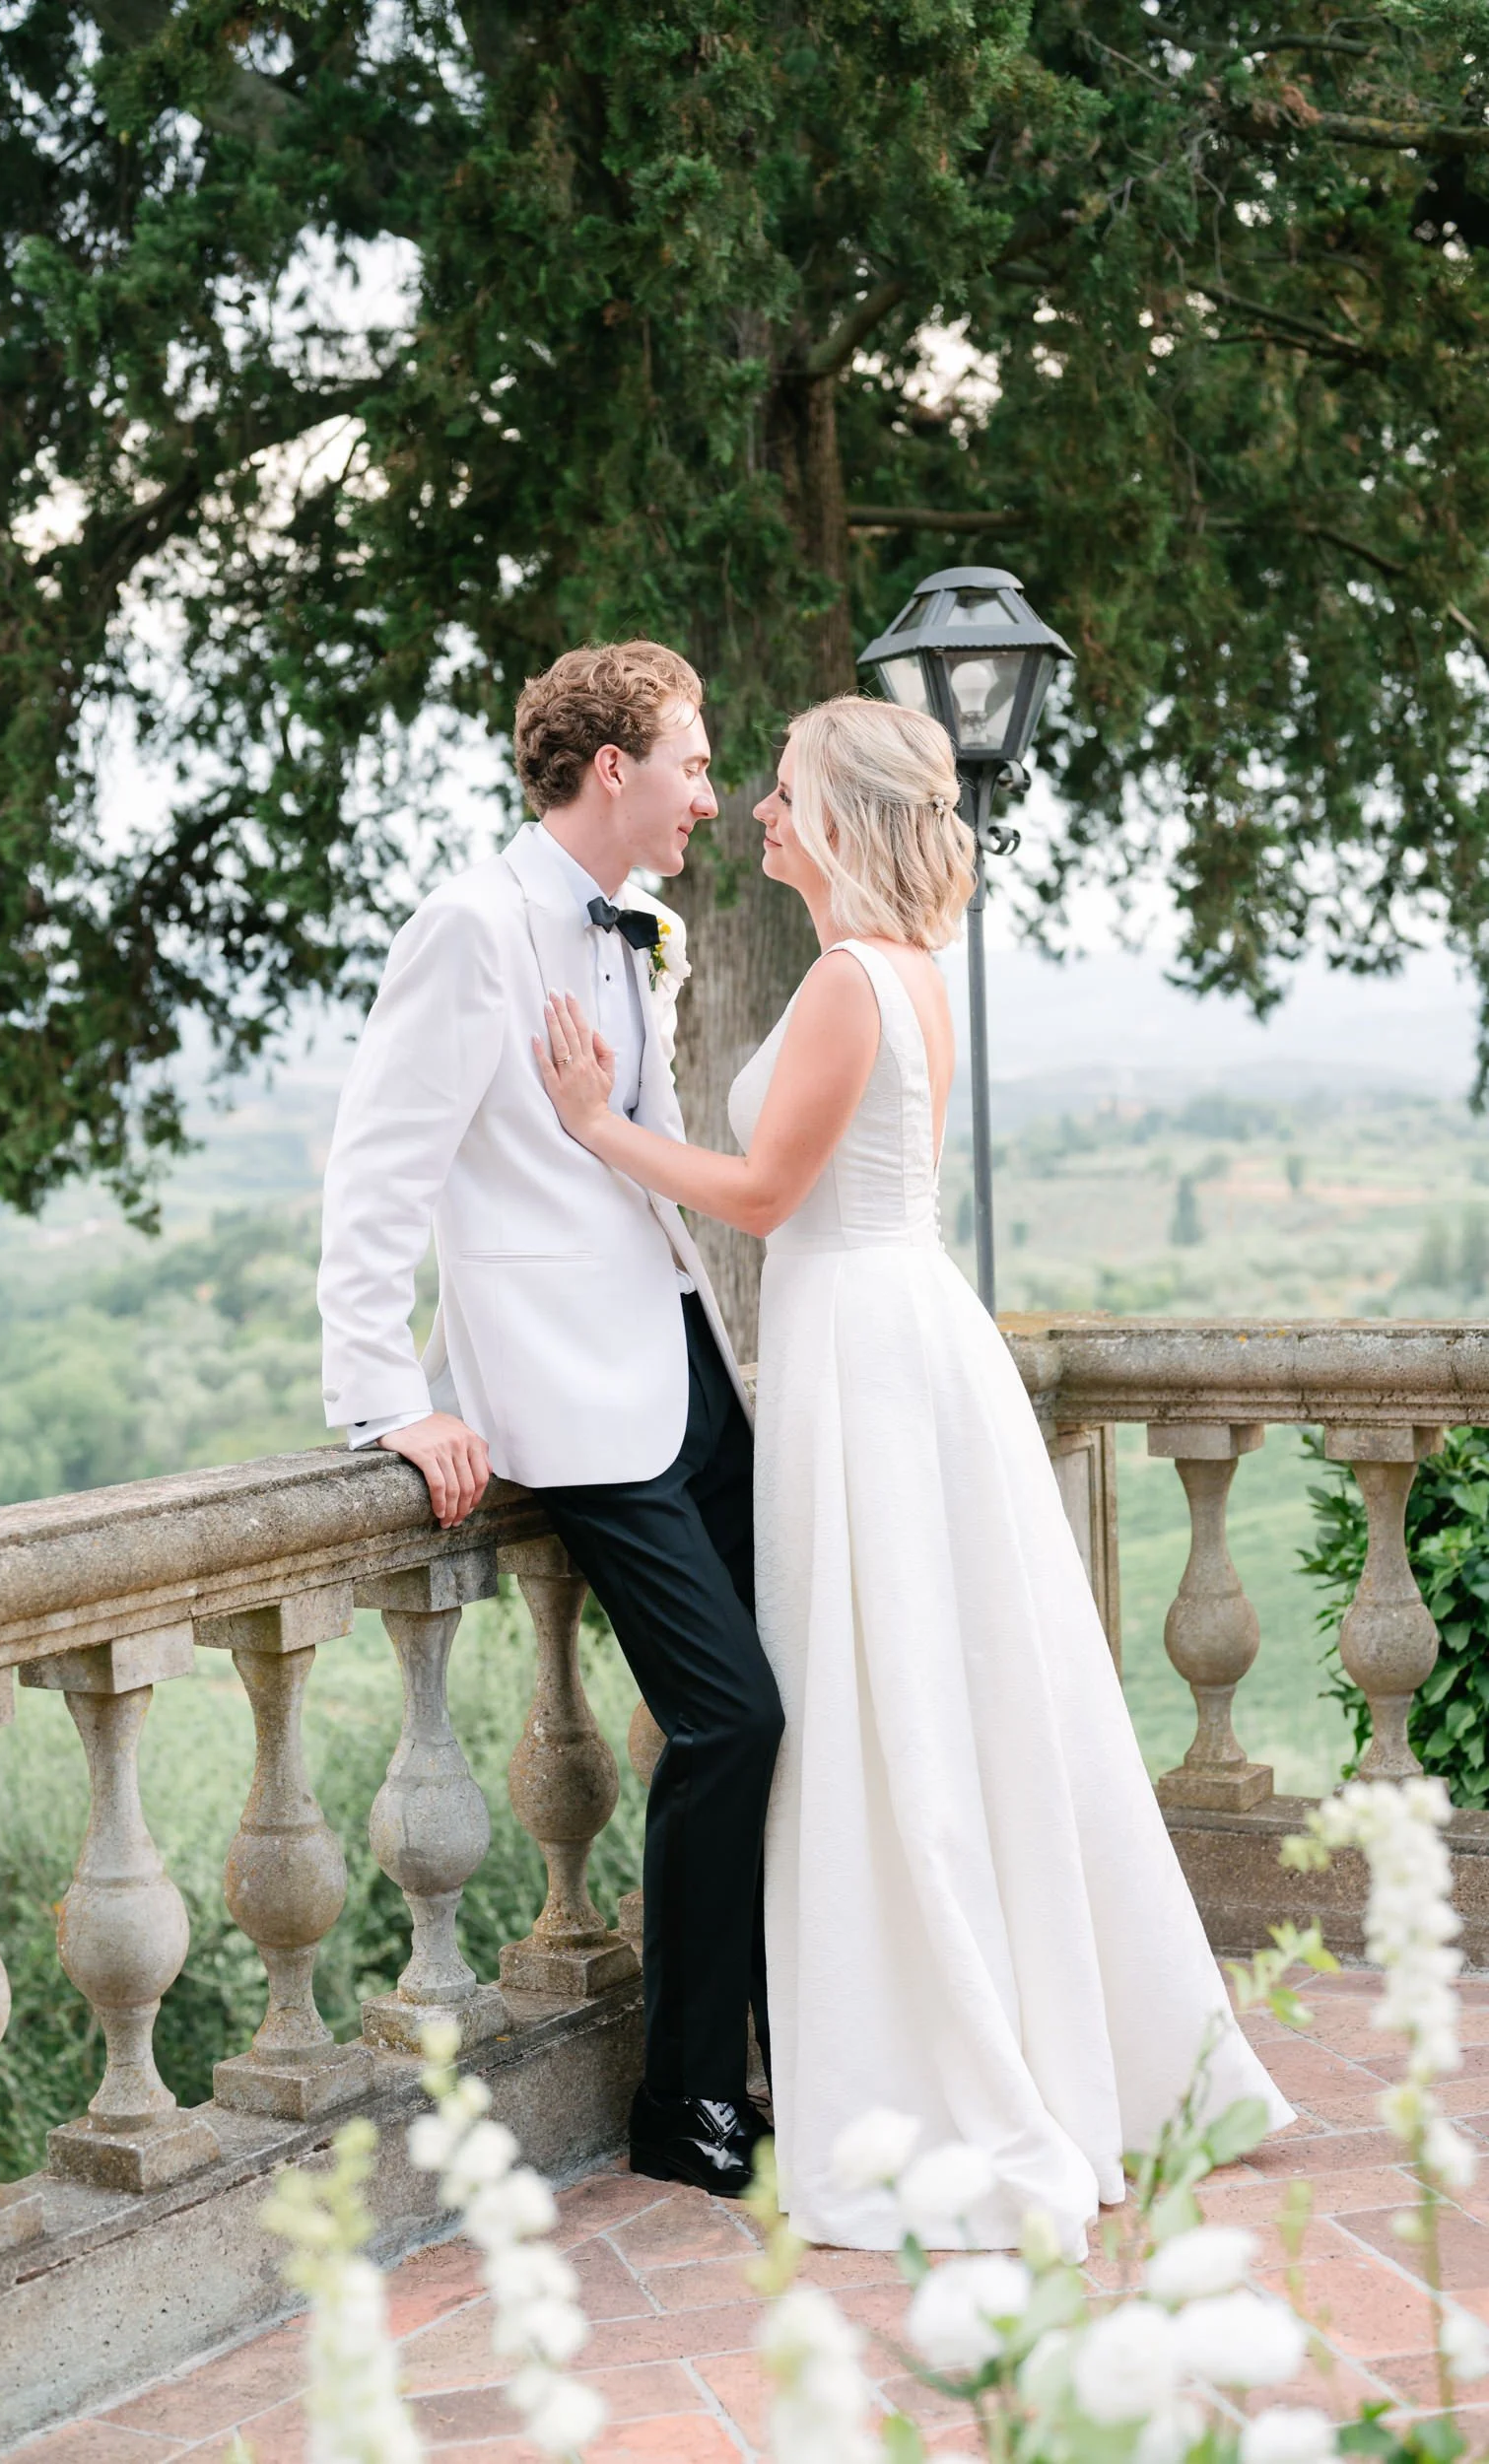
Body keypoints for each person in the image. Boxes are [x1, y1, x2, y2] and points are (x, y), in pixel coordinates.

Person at [533, 692, 1294, 2256]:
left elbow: (755, 1194)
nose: (755, 809)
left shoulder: (843, 981)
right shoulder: (912, 972)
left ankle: (939, 2061)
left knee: (890, 1711)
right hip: (891, 1333)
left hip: (866, 1354)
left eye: (785, 790)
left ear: (844, 819)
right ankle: (1027, 2033)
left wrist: (592, 1125)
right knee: (945, 1702)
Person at [317, 640, 782, 2198]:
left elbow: (630, 1145)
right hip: (569, 1399)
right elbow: (379, 1169)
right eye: (694, 765)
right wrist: (390, 1395)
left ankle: (795, 2039)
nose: (710, 797)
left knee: (797, 1694)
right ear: (610, 772)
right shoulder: (471, 927)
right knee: (730, 1718)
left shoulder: (638, 923)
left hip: (687, 1360)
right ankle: (687, 2101)